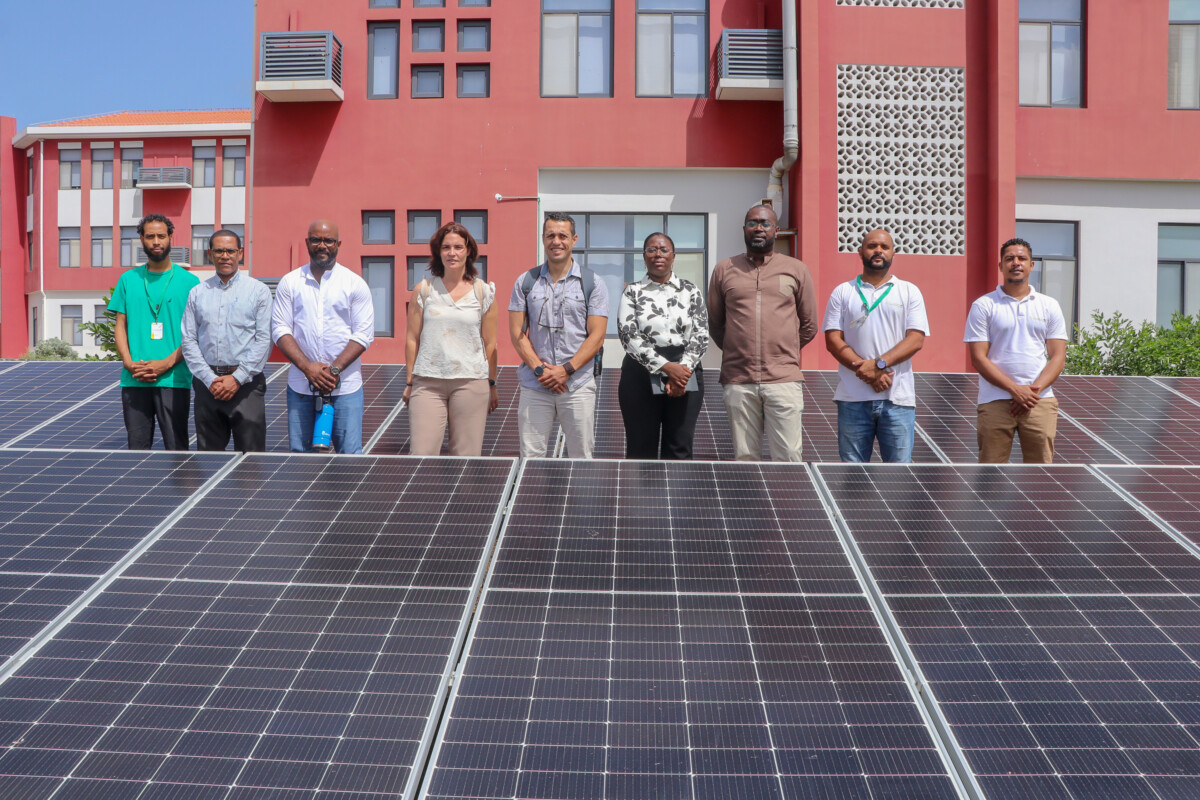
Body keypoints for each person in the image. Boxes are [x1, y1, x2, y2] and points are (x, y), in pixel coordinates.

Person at [707, 204, 817, 461]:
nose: (758, 228)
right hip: (739, 380)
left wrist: (783, 352)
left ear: (776, 230)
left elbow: (809, 324)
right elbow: (716, 323)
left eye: (765, 223)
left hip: (783, 379)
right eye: (752, 223)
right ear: (744, 229)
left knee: (789, 457)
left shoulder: (796, 269)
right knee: (745, 458)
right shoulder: (724, 269)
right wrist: (739, 349)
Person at [823, 229, 929, 462]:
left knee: (898, 475)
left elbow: (915, 339)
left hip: (898, 401)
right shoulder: (843, 292)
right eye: (872, 246)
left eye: (884, 247)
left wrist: (879, 365)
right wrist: (867, 371)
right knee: (853, 474)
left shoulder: (909, 291)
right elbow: (833, 340)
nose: (878, 251)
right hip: (853, 399)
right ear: (860, 252)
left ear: (893, 253)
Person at [508, 212, 608, 458]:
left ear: (574, 239)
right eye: (550, 235)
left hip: (577, 385)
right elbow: (517, 333)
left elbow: (596, 336)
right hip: (536, 385)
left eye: (563, 236)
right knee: (530, 459)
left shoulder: (593, 283)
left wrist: (566, 370)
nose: (556, 241)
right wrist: (540, 371)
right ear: (543, 239)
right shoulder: (525, 282)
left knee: (581, 458)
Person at [271, 219, 374, 453]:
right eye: (316, 240)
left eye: (329, 240)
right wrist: (308, 368)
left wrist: (334, 370)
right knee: (301, 457)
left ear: (338, 244)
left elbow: (363, 334)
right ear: (307, 242)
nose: (322, 245)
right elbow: (280, 329)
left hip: (345, 388)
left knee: (350, 457)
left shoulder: (354, 284)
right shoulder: (290, 282)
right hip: (301, 387)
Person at [965, 237, 1068, 463]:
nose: (1016, 263)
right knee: (991, 472)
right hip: (995, 401)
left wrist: (1031, 394)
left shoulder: (1049, 305)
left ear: (1032, 265)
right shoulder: (983, 305)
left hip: (1039, 401)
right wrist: (1015, 390)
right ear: (1000, 265)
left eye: (1022, 258)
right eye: (1009, 258)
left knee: (1041, 474)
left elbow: (1058, 357)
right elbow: (978, 358)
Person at [404, 222, 499, 456]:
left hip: (471, 381)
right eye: (446, 247)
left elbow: (490, 344)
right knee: (421, 458)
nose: (452, 253)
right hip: (428, 381)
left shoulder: (483, 292)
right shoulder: (424, 289)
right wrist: (410, 382)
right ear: (438, 252)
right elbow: (412, 339)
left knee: (466, 460)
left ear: (468, 251)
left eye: (458, 247)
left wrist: (492, 384)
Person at [110, 214, 200, 450]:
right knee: (137, 451)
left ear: (171, 237)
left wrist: (165, 364)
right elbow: (120, 324)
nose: (156, 242)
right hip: (135, 378)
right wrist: (128, 363)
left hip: (174, 379)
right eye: (150, 236)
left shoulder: (190, 282)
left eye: (161, 236)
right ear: (142, 239)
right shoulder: (128, 279)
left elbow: (196, 333)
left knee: (177, 449)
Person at [616, 232, 708, 459]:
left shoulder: (690, 290)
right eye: (652, 250)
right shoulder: (632, 292)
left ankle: (676, 487)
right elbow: (628, 336)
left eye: (664, 250)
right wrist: (667, 368)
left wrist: (681, 373)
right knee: (640, 449)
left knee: (679, 448)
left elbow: (701, 334)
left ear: (673, 256)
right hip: (640, 373)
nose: (658, 254)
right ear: (644, 256)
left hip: (686, 372)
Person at [181, 229, 273, 452]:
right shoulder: (197, 293)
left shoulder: (258, 291)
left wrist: (237, 378)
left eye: (230, 251)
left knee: (251, 460)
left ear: (240, 253)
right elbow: (189, 340)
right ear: (210, 254)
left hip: (247, 386)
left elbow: (264, 340)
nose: (225, 256)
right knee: (209, 460)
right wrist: (209, 379)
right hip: (207, 386)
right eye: (219, 251)